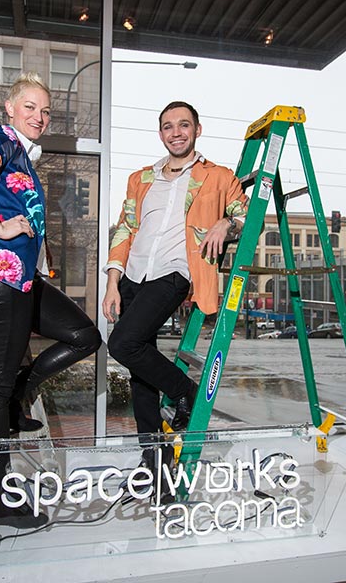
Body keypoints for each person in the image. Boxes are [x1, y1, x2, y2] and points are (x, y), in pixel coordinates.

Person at [0, 71, 101, 529]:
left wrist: (38, 252)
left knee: (83, 335)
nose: (40, 116)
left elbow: (23, 212)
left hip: (21, 277)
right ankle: (0, 497)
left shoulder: (24, 157)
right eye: (30, 107)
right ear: (11, 110)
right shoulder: (2, 140)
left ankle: (21, 391)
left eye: (46, 110)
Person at [102, 100, 248, 446]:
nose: (176, 132)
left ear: (197, 130)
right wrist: (112, 282)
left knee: (122, 343)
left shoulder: (218, 176)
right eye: (168, 126)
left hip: (175, 272)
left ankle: (186, 390)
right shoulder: (141, 179)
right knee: (139, 371)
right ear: (160, 133)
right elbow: (125, 230)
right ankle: (152, 457)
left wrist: (225, 223)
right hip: (132, 276)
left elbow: (246, 218)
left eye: (184, 125)